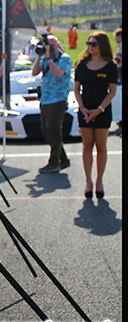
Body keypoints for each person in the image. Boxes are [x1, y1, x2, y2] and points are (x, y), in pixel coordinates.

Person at [74, 32, 118, 198]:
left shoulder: (110, 66)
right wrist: (83, 108)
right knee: (87, 145)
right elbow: (76, 90)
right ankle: (88, 181)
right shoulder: (81, 64)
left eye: (94, 44)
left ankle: (99, 181)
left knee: (101, 147)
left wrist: (99, 109)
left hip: (102, 111)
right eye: (89, 43)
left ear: (102, 46)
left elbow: (112, 91)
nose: (90, 47)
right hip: (85, 111)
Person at [31, 35, 73, 173]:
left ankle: (54, 162)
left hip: (58, 100)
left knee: (53, 129)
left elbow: (58, 73)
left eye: (52, 45)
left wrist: (49, 58)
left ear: (58, 45)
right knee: (46, 130)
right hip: (45, 100)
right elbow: (34, 72)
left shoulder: (65, 58)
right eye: (48, 45)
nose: (50, 48)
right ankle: (64, 159)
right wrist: (39, 55)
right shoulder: (44, 58)